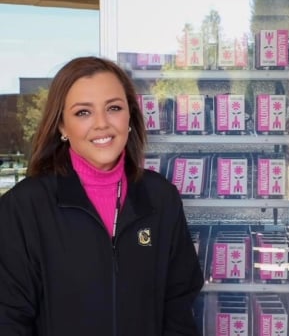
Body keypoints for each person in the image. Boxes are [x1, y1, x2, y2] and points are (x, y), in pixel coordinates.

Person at [0, 56, 204, 335]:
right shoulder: (24, 207)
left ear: (130, 116)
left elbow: (179, 307)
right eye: (83, 112)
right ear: (62, 126)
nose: (101, 124)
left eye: (114, 108)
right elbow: (8, 318)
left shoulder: (161, 198)